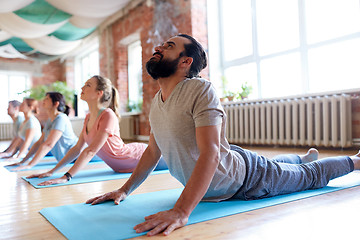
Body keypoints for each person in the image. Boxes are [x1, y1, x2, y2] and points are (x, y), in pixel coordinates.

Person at [85, 34, 360, 237]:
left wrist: (181, 211)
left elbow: (211, 153)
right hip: (235, 164)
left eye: (169, 46)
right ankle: (301, 157)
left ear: (185, 61)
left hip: (247, 178)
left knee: (309, 177)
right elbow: (153, 152)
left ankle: (355, 161)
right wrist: (124, 189)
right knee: (278, 165)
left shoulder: (200, 90)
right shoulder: (158, 101)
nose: (158, 47)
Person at [27, 75, 167, 185]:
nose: (82, 87)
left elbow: (91, 150)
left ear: (99, 93)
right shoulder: (88, 117)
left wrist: (66, 177)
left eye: (88, 85)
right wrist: (52, 172)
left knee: (180, 164)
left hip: (137, 158)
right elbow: (77, 148)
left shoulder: (108, 115)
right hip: (120, 167)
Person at [10, 92, 78, 171]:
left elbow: (48, 144)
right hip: (66, 159)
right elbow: (39, 142)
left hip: (76, 157)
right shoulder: (50, 119)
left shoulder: (61, 118)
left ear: (56, 104)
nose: (43, 100)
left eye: (47, 99)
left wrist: (29, 165)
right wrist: (23, 161)